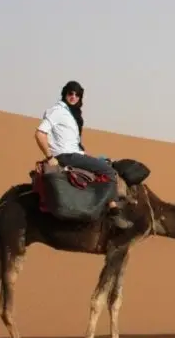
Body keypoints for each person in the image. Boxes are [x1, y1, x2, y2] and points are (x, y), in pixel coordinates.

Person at [34, 80, 133, 229]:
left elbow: (72, 142)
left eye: (77, 94)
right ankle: (113, 212)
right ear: (65, 94)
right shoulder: (57, 111)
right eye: (70, 93)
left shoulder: (72, 114)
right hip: (66, 156)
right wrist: (50, 157)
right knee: (110, 172)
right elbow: (40, 133)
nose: (73, 96)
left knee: (105, 162)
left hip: (74, 154)